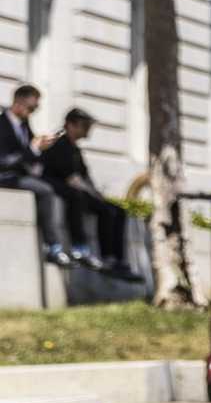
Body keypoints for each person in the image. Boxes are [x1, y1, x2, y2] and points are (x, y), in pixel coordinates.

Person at [38, 110, 140, 280]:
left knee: (117, 210)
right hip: (65, 191)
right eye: (85, 125)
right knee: (93, 204)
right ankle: (88, 251)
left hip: (79, 191)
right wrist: (92, 194)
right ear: (71, 125)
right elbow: (72, 179)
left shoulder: (74, 149)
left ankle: (115, 259)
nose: (88, 130)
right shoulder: (59, 145)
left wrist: (97, 195)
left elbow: (84, 176)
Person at [0, 84, 71, 267]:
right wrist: (33, 149)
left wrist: (42, 148)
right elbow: (5, 161)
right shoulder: (2, 124)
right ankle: (53, 246)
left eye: (36, 108)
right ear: (18, 102)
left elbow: (29, 155)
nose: (33, 112)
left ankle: (74, 248)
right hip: (6, 176)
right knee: (45, 190)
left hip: (22, 175)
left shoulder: (24, 125)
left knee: (63, 188)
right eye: (31, 107)